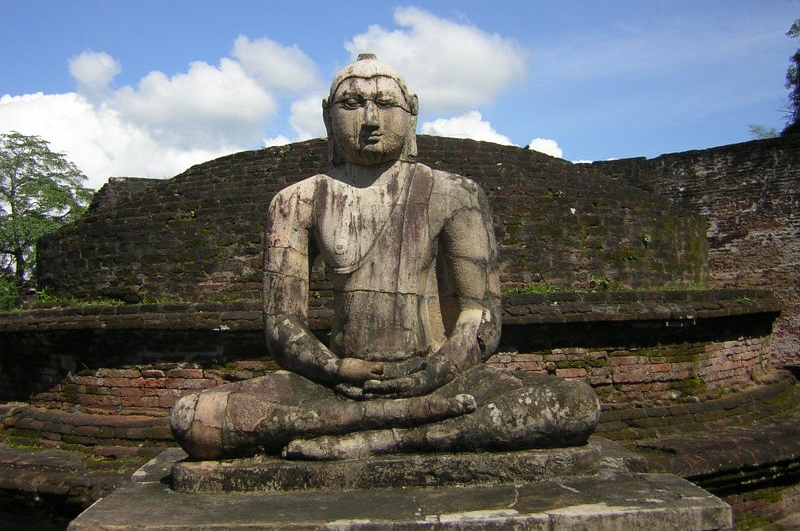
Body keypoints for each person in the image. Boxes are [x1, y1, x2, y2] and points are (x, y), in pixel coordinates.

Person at [170, 54, 600, 460]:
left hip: (433, 377)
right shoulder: (297, 201)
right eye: (352, 104)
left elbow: (480, 317)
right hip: (336, 386)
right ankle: (397, 425)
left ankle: (383, 435)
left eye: (385, 103)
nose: (370, 120)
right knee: (191, 417)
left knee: (573, 403)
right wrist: (336, 368)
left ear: (412, 112)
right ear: (327, 115)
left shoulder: (455, 194)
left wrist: (433, 373)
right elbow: (283, 324)